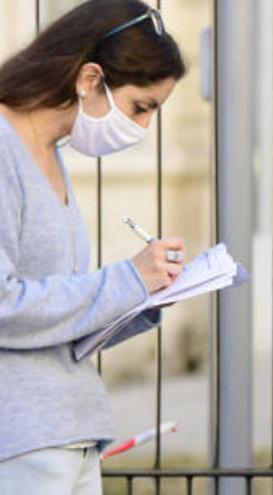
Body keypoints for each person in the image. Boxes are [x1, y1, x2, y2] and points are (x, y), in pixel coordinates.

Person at [0, 1, 186, 492]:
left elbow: (55, 319)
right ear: (88, 79)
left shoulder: (50, 154)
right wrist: (125, 279)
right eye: (140, 106)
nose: (143, 128)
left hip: (70, 433)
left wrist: (144, 294)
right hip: (21, 441)